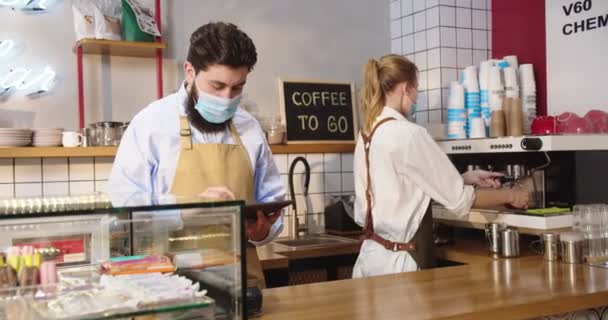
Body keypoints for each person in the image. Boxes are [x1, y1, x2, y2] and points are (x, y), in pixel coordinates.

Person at [106, 22, 285, 288]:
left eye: (237, 88)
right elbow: (122, 210)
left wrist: (263, 230)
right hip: (168, 286)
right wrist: (186, 209)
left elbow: (272, 201)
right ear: (189, 71)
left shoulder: (250, 128)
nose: (226, 98)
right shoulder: (151, 124)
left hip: (241, 284)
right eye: (217, 86)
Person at [352, 54, 529, 278]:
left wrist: (465, 177)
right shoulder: (409, 134)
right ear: (405, 88)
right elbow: (462, 201)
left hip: (371, 259)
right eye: (416, 89)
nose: (417, 98)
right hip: (401, 266)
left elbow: (401, 186)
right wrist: (511, 195)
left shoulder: (367, 133)